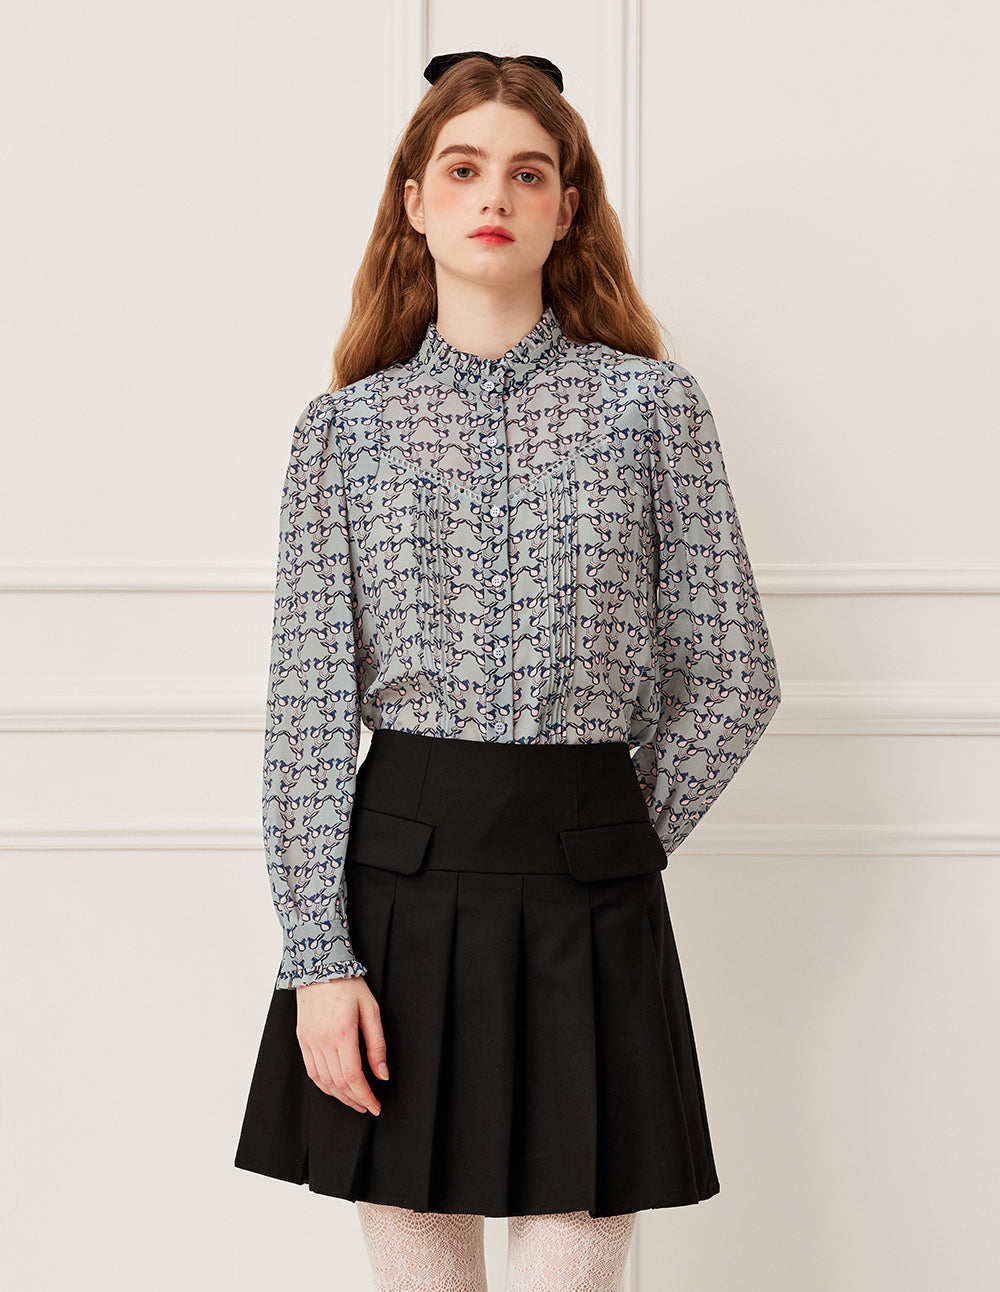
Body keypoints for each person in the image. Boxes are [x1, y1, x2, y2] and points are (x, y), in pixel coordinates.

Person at [234, 49, 781, 1292]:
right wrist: (317, 957)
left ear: (566, 209)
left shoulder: (653, 409)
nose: (496, 194)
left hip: (589, 883)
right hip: (395, 895)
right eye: (464, 168)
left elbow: (734, 673)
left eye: (529, 174)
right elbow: (308, 714)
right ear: (414, 202)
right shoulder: (343, 432)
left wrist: (616, 828)